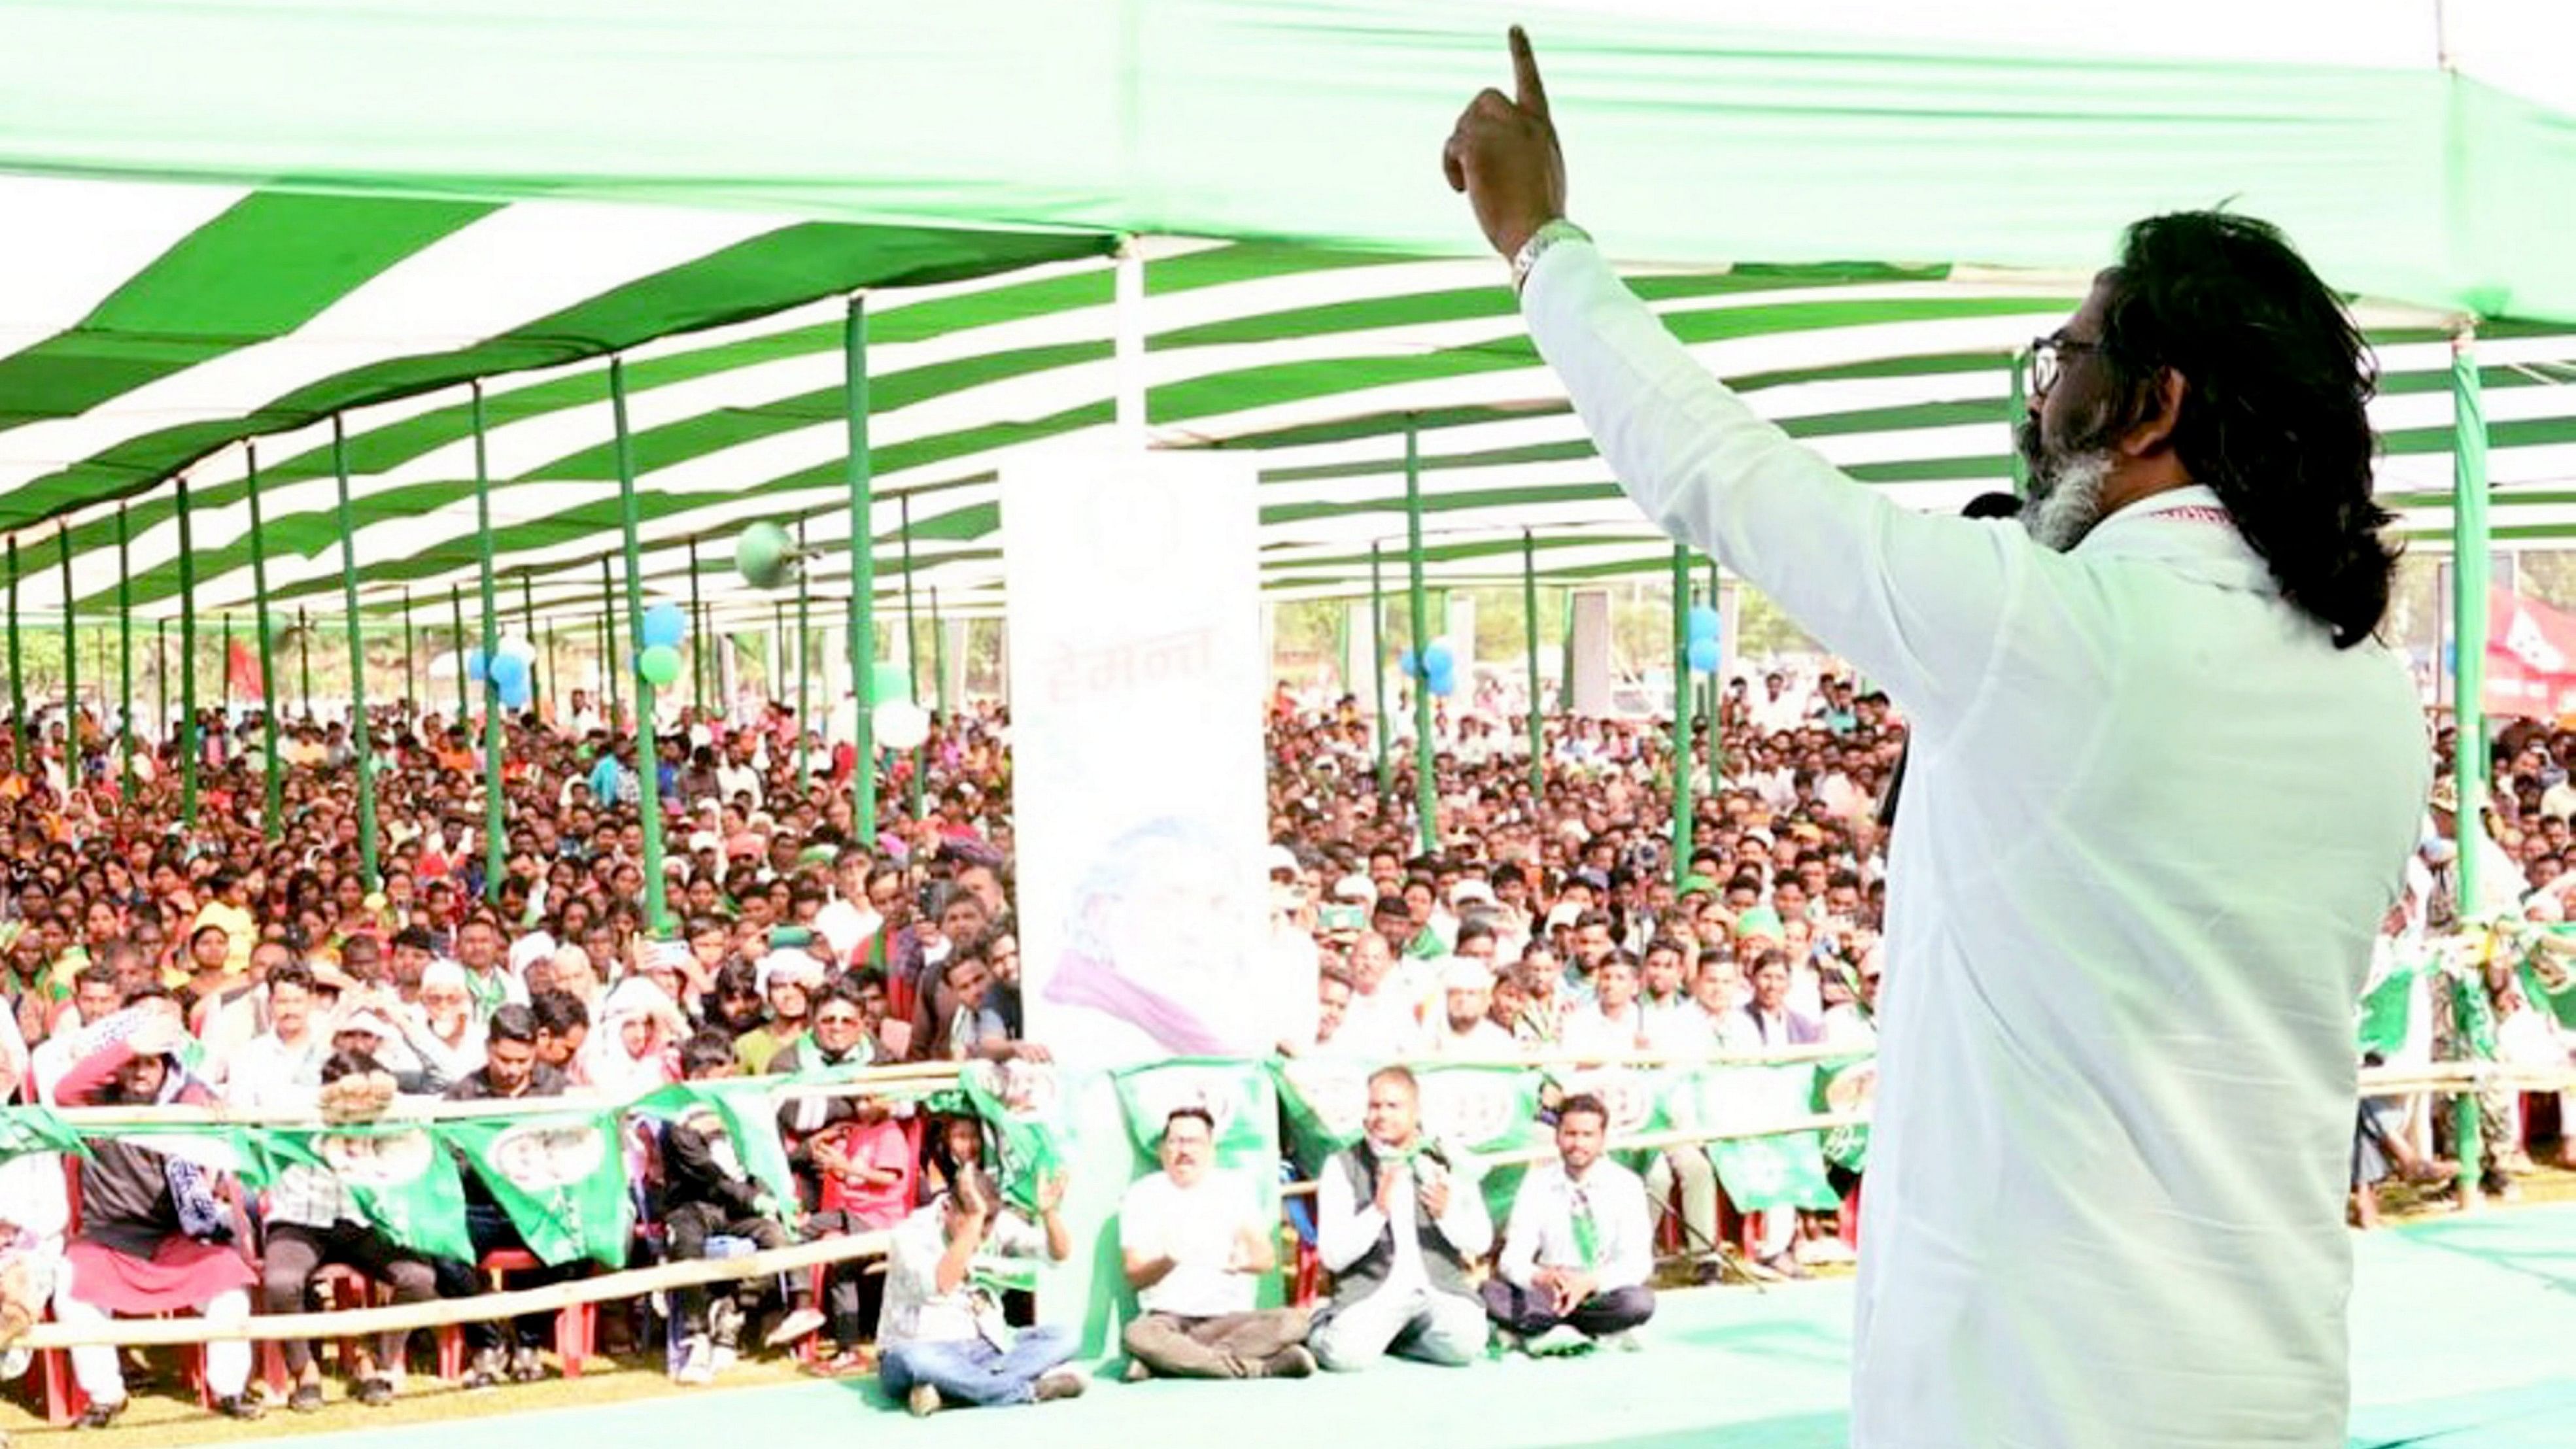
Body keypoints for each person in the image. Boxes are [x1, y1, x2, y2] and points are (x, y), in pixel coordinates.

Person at [1447, 30, 2427, 1446]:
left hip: (2036, 1396)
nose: (2041, 399)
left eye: (2068, 359)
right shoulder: (2370, 692)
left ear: (2154, 406)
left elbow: (1716, 469)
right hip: (2271, 1387)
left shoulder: (2066, 636)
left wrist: (1538, 240)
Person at [1308, 1065, 1490, 1371]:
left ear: (1416, 1111)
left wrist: (1446, 1215)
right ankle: (1322, 1323)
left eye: (1393, 1106)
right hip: (1374, 1291)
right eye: (1374, 1106)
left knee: (1467, 1345)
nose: (1382, 1115)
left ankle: (1402, 1339)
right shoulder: (1341, 1165)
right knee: (1344, 1357)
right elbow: (1332, 1258)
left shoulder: (1446, 1159)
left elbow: (1481, 1241)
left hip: (1437, 1289)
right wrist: (1377, 1211)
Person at [1118, 1106, 1314, 1380]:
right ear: (1163, 1149)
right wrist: (1168, 1261)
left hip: (1229, 1320)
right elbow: (1134, 1275)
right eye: (1175, 1141)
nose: (1183, 1150)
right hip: (1168, 1319)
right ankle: (1261, 1367)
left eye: (1193, 1142)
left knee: (1295, 1322)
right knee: (1138, 1335)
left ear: (1211, 1149)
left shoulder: (1234, 1190)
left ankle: (1169, 1363)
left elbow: (1266, 1259)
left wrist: (1243, 1263)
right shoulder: (1142, 1195)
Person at [874, 1167, 1081, 1418]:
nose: (982, 1233)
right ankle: (1028, 1391)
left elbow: (1057, 1255)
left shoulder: (995, 1222)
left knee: (1065, 1336)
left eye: (988, 1223)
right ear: (947, 1209)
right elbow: (942, 1285)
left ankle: (954, 1393)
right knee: (917, 1361)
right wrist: (974, 1220)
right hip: (920, 1347)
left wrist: (1049, 1214)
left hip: (984, 1347)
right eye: (975, 1221)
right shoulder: (911, 1233)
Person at [1485, 1094, 1653, 1355]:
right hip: (1550, 1291)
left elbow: (1638, 1262)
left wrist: (1589, 1283)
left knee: (1639, 1302)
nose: (1578, 1144)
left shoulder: (1627, 1185)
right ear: (1557, 1136)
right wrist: (1541, 1277)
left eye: (1588, 1135)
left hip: (1599, 1291)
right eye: (1570, 1134)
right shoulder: (1537, 1184)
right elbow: (1512, 1258)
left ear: (1602, 1139)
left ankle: (1547, 1330)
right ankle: (1586, 1330)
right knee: (1490, 1294)